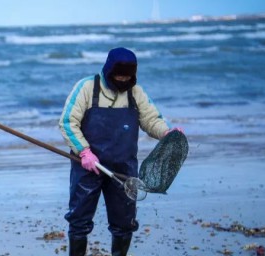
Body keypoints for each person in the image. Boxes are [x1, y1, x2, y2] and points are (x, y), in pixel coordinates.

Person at [58, 47, 183, 256]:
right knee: (79, 220)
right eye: (119, 75)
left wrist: (167, 133)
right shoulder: (87, 88)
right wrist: (84, 151)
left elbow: (151, 120)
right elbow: (68, 122)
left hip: (124, 167)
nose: (123, 80)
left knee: (124, 223)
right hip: (88, 166)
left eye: (128, 76)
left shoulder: (136, 92)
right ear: (108, 70)